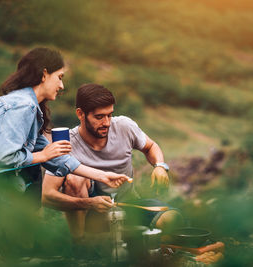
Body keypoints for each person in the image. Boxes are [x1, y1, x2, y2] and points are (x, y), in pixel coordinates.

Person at [0, 48, 129, 191]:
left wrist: (101, 175)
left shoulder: (28, 106)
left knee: (25, 184)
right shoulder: (22, 106)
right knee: (26, 186)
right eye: (60, 77)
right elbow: (4, 158)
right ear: (45, 74)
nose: (62, 85)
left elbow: (57, 159)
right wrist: (43, 155)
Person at [42, 83, 183, 241]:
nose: (107, 123)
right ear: (81, 114)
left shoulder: (124, 126)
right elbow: (47, 196)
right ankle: (81, 244)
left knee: (172, 219)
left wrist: (159, 166)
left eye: (109, 115)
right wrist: (88, 203)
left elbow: (151, 146)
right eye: (99, 117)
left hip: (128, 205)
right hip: (90, 214)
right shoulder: (66, 142)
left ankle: (128, 242)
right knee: (75, 178)